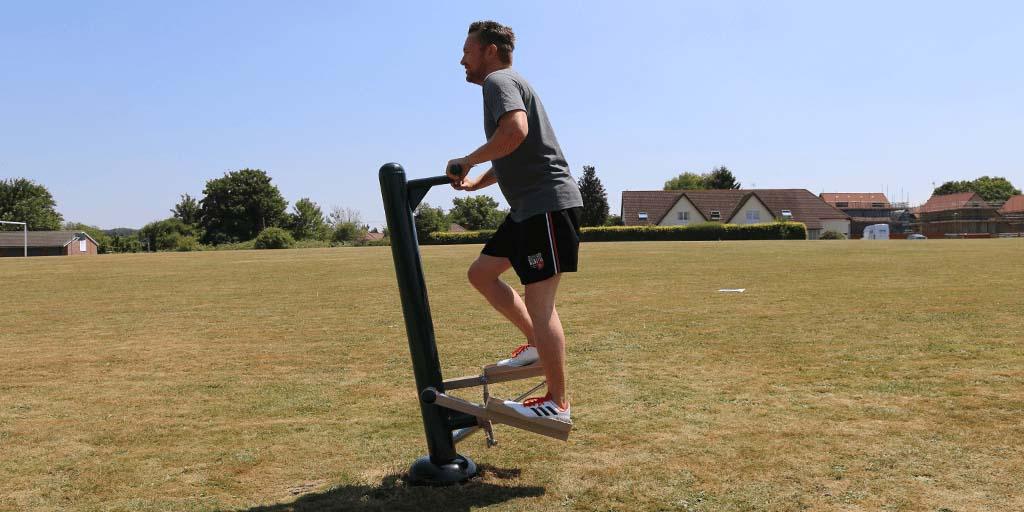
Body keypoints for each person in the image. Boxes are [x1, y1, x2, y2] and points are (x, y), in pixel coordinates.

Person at [446, 20, 582, 423]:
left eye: (467, 51)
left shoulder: (498, 81)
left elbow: (516, 131)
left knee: (541, 303)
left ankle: (557, 403)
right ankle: (535, 344)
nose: (462, 59)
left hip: (547, 205)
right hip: (527, 208)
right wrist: (478, 182)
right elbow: (511, 149)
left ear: (488, 50)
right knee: (481, 273)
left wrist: (468, 159)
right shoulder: (504, 83)